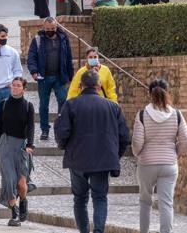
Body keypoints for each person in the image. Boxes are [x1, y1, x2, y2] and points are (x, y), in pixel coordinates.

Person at [54, 70, 130, 233]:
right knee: (100, 198)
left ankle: (84, 231)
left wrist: (65, 147)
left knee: (80, 199)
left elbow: (61, 132)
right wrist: (115, 155)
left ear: (80, 86)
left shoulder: (71, 104)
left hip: (78, 159)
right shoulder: (113, 107)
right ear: (99, 86)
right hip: (103, 161)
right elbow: (124, 136)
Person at [132, 79, 187, 233]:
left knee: (145, 202)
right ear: (167, 92)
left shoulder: (142, 115)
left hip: (146, 164)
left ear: (149, 94)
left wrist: (138, 154)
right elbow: (186, 140)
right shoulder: (176, 114)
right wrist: (175, 152)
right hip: (169, 164)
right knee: (166, 203)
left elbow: (137, 143)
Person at [0, 77, 36, 226]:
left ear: (24, 88)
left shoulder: (28, 106)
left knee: (22, 184)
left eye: (18, 86)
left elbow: (30, 127)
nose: (15, 88)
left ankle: (23, 201)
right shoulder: (3, 105)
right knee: (9, 180)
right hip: (5, 145)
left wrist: (30, 144)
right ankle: (14, 213)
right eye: (13, 85)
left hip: (21, 146)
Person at [27, 17, 74, 139]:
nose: (50, 30)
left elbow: (69, 58)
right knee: (43, 105)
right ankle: (44, 130)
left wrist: (70, 76)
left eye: (52, 28)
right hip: (44, 78)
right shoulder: (37, 40)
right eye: (48, 29)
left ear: (56, 27)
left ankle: (60, 128)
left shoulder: (63, 39)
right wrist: (34, 71)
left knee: (63, 101)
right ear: (43, 28)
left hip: (60, 77)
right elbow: (31, 57)